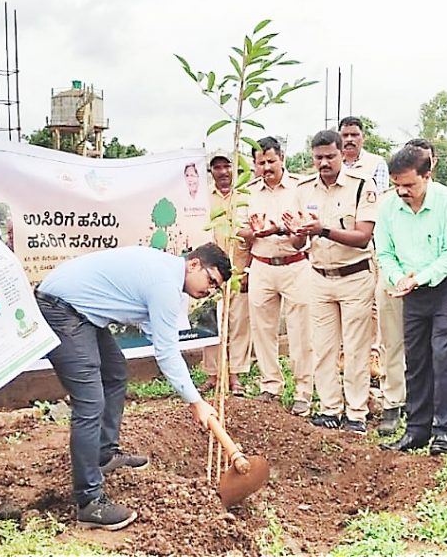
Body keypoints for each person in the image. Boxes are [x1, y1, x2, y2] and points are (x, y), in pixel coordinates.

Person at [34, 244, 224, 530]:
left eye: (216, 288)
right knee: (89, 401)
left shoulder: (167, 277)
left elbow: (157, 333)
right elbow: (166, 352)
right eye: (211, 281)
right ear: (194, 264)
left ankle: (104, 454)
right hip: (60, 309)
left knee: (114, 372)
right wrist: (195, 401)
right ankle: (89, 502)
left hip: (82, 312)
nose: (210, 290)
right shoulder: (165, 284)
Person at [377, 145, 447, 454]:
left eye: (409, 185)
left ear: (427, 176)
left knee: (443, 354)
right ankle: (417, 429)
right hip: (410, 286)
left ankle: (444, 430)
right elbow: (385, 252)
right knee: (415, 358)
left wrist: (420, 277)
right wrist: (399, 278)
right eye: (397, 185)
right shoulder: (388, 206)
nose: (402, 191)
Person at [285, 130, 378, 435]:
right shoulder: (303, 190)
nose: (323, 163)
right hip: (319, 275)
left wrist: (322, 229)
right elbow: (299, 239)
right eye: (318, 157)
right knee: (322, 347)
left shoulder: (361, 185)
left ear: (342, 155)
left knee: (355, 347)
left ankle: (356, 412)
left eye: (329, 156)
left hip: (355, 275)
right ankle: (329, 408)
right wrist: (296, 232)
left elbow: (363, 236)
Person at [238, 137, 315, 415]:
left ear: (282, 158)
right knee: (262, 329)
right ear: (255, 164)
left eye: (271, 161)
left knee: (300, 331)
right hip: (261, 264)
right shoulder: (247, 192)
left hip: (296, 264)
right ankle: (270, 385)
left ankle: (303, 391)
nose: (267, 167)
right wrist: (254, 231)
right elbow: (240, 230)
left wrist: (281, 229)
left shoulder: (300, 188)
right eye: (261, 163)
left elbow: (304, 228)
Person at [339, 117, 405, 433]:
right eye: (345, 135)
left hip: (373, 243)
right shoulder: (334, 164)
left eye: (354, 135)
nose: (350, 140)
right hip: (338, 250)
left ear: (363, 137)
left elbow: (379, 205)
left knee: (374, 307)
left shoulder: (374, 165)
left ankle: (373, 356)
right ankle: (348, 360)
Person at [199, 149, 252, 396]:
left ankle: (236, 375)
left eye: (227, 167)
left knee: (239, 325)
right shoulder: (202, 199)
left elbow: (254, 236)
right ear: (211, 171)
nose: (222, 172)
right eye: (217, 168)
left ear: (235, 169)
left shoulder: (246, 197)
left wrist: (250, 268)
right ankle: (212, 374)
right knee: (210, 324)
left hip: (240, 272)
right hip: (209, 275)